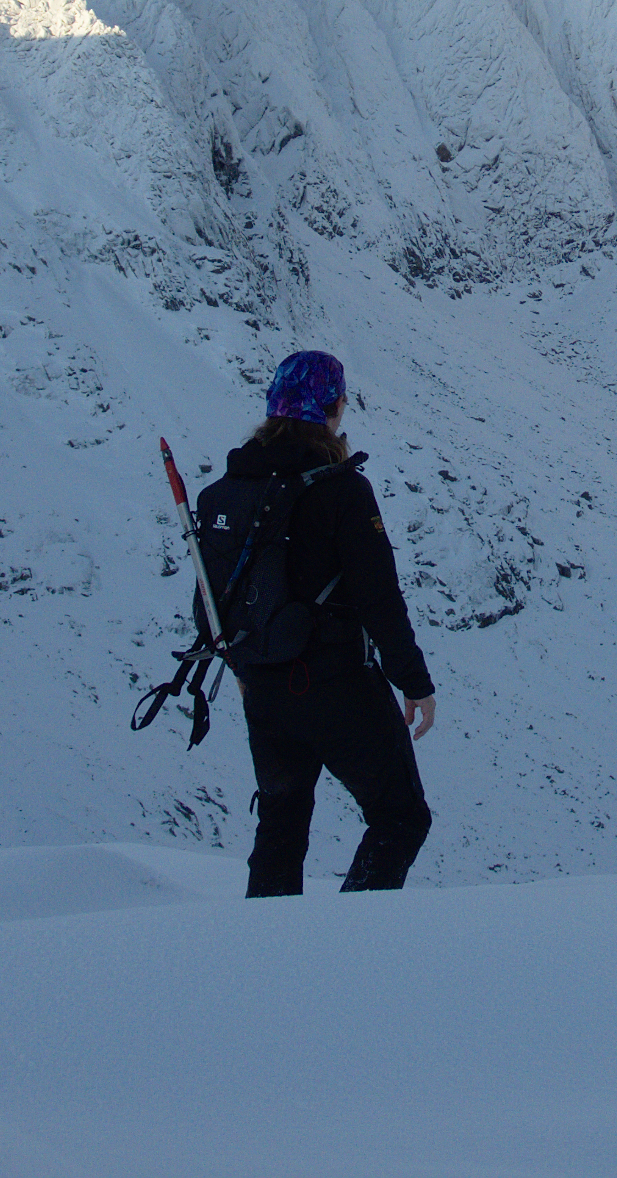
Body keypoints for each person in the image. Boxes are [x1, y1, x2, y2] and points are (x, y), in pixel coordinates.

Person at [211, 350, 436, 896]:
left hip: (262, 687)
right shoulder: (341, 490)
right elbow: (379, 598)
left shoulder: (227, 491)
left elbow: (218, 594)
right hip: (336, 685)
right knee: (401, 817)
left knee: (280, 830)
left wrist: (241, 663)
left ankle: (267, 954)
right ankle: (348, 946)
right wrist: (414, 682)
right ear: (332, 408)